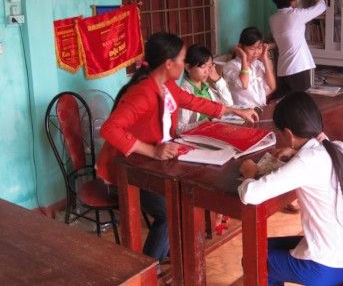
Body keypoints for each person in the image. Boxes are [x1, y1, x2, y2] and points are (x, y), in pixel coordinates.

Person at [96, 32, 258, 262]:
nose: (184, 65)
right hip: (127, 169)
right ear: (169, 63)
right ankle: (149, 269)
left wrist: (234, 111)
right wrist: (152, 150)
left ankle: (167, 252)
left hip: (152, 164)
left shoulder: (167, 86)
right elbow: (109, 129)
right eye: (182, 60)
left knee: (183, 199)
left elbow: (195, 102)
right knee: (170, 210)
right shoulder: (142, 93)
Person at [238, 92, 343, 286]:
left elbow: (250, 194)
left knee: (255, 260)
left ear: (288, 134)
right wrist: (295, 150)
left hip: (326, 266)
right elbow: (318, 146)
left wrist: (249, 172)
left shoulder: (307, 162)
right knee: (259, 247)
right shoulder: (339, 148)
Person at [269, 0, 327, 99]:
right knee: (300, 102)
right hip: (298, 67)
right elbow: (321, 7)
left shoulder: (273, 19)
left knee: (286, 102)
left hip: (282, 69)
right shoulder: (296, 15)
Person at [177, 44, 233, 134]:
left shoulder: (206, 88)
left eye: (210, 66)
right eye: (203, 66)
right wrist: (207, 120)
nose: (207, 71)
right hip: (196, 138)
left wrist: (218, 80)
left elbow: (229, 104)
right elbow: (180, 130)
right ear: (188, 67)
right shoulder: (184, 92)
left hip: (212, 132)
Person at [223, 26, 276, 108]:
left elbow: (272, 86)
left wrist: (265, 59)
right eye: (252, 48)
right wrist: (244, 58)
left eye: (259, 48)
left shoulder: (257, 64)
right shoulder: (230, 66)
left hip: (260, 109)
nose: (256, 52)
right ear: (240, 47)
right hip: (241, 113)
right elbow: (243, 84)